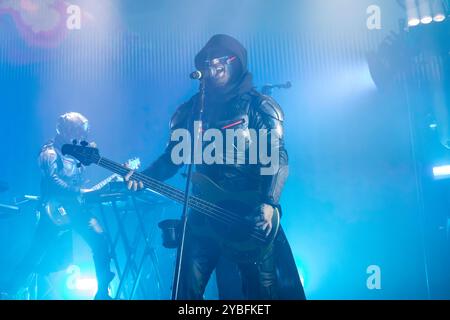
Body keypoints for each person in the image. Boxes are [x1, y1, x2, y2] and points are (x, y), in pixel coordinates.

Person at [127, 34, 305, 300]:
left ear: (237, 62)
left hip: (250, 215)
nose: (214, 66)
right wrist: (145, 177)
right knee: (184, 290)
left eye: (222, 60)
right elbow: (173, 157)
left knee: (260, 294)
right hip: (203, 212)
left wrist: (269, 203)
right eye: (208, 62)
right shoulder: (192, 110)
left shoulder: (260, 107)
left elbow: (277, 158)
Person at [8, 112, 114, 300]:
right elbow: (53, 181)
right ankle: (9, 291)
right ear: (66, 131)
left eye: (83, 132)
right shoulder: (49, 153)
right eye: (78, 131)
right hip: (54, 211)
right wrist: (78, 192)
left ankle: (103, 292)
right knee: (36, 253)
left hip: (76, 210)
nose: (82, 136)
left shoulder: (77, 153)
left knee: (100, 240)